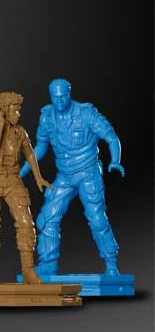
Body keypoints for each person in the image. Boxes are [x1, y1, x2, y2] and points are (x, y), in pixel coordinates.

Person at [20, 78, 125, 276]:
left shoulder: (86, 113)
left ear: (69, 93)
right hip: (65, 175)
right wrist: (21, 172)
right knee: (47, 216)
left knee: (97, 219)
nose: (59, 100)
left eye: (62, 96)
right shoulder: (47, 117)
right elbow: (40, 148)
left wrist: (115, 160)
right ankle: (48, 263)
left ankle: (111, 264)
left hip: (88, 172)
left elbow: (110, 136)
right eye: (55, 97)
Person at [0, 92, 52, 284]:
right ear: (3, 111)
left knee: (26, 223)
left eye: (19, 110)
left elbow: (30, 154)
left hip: (13, 179)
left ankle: (28, 270)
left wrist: (38, 177)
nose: (19, 114)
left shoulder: (20, 132)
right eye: (15, 110)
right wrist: (1, 123)